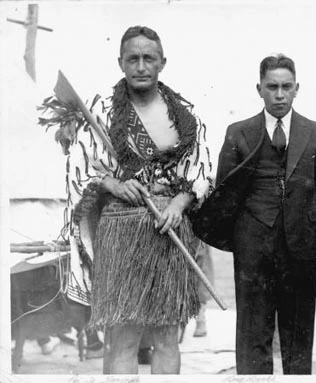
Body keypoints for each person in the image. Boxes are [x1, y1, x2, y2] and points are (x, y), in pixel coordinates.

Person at [39, 25, 212, 374]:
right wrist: (113, 185)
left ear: (163, 62)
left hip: (169, 229)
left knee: (166, 335)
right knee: (122, 335)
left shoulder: (185, 115)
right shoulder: (101, 111)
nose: (141, 66)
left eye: (149, 58)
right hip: (120, 229)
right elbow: (79, 166)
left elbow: (202, 172)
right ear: (121, 63)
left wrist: (179, 204)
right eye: (133, 59)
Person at [192, 54, 316, 374]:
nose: (280, 94)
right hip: (252, 253)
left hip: (299, 250)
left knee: (299, 336)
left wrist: (301, 225)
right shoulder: (238, 133)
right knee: (252, 334)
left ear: (297, 88)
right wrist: (247, 236)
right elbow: (225, 195)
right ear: (259, 89)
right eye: (272, 87)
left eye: (287, 87)